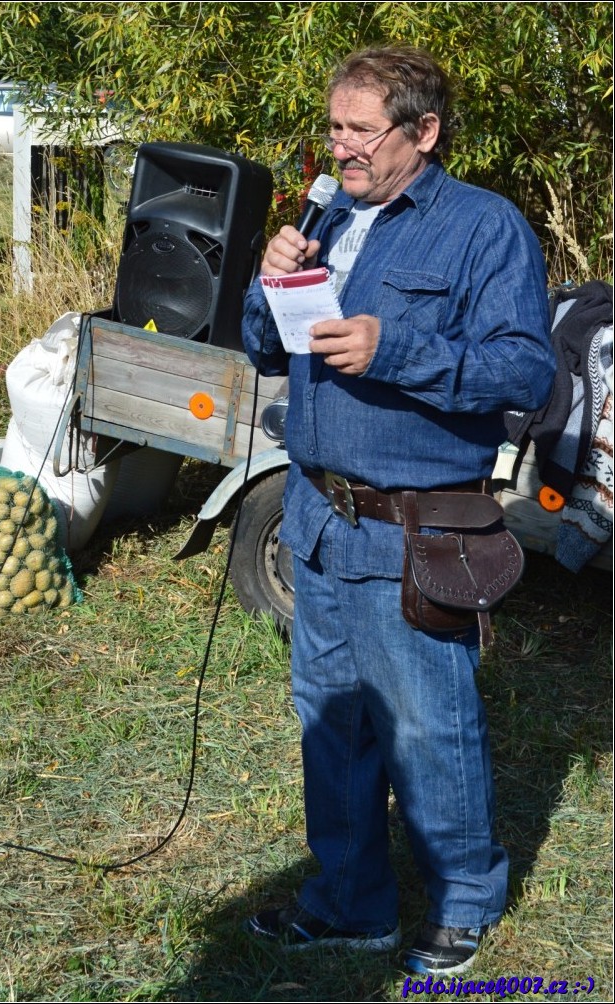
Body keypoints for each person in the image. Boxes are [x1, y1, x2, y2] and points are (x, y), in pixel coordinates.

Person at [240, 46, 555, 975]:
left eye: (359, 130)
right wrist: (270, 279)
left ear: (422, 133)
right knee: (329, 721)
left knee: (427, 725)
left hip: (412, 527)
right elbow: (266, 348)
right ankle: (349, 905)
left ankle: (462, 901)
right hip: (317, 522)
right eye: (332, 128)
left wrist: (396, 344)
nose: (340, 148)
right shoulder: (325, 216)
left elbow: (523, 372)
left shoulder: (482, 230)